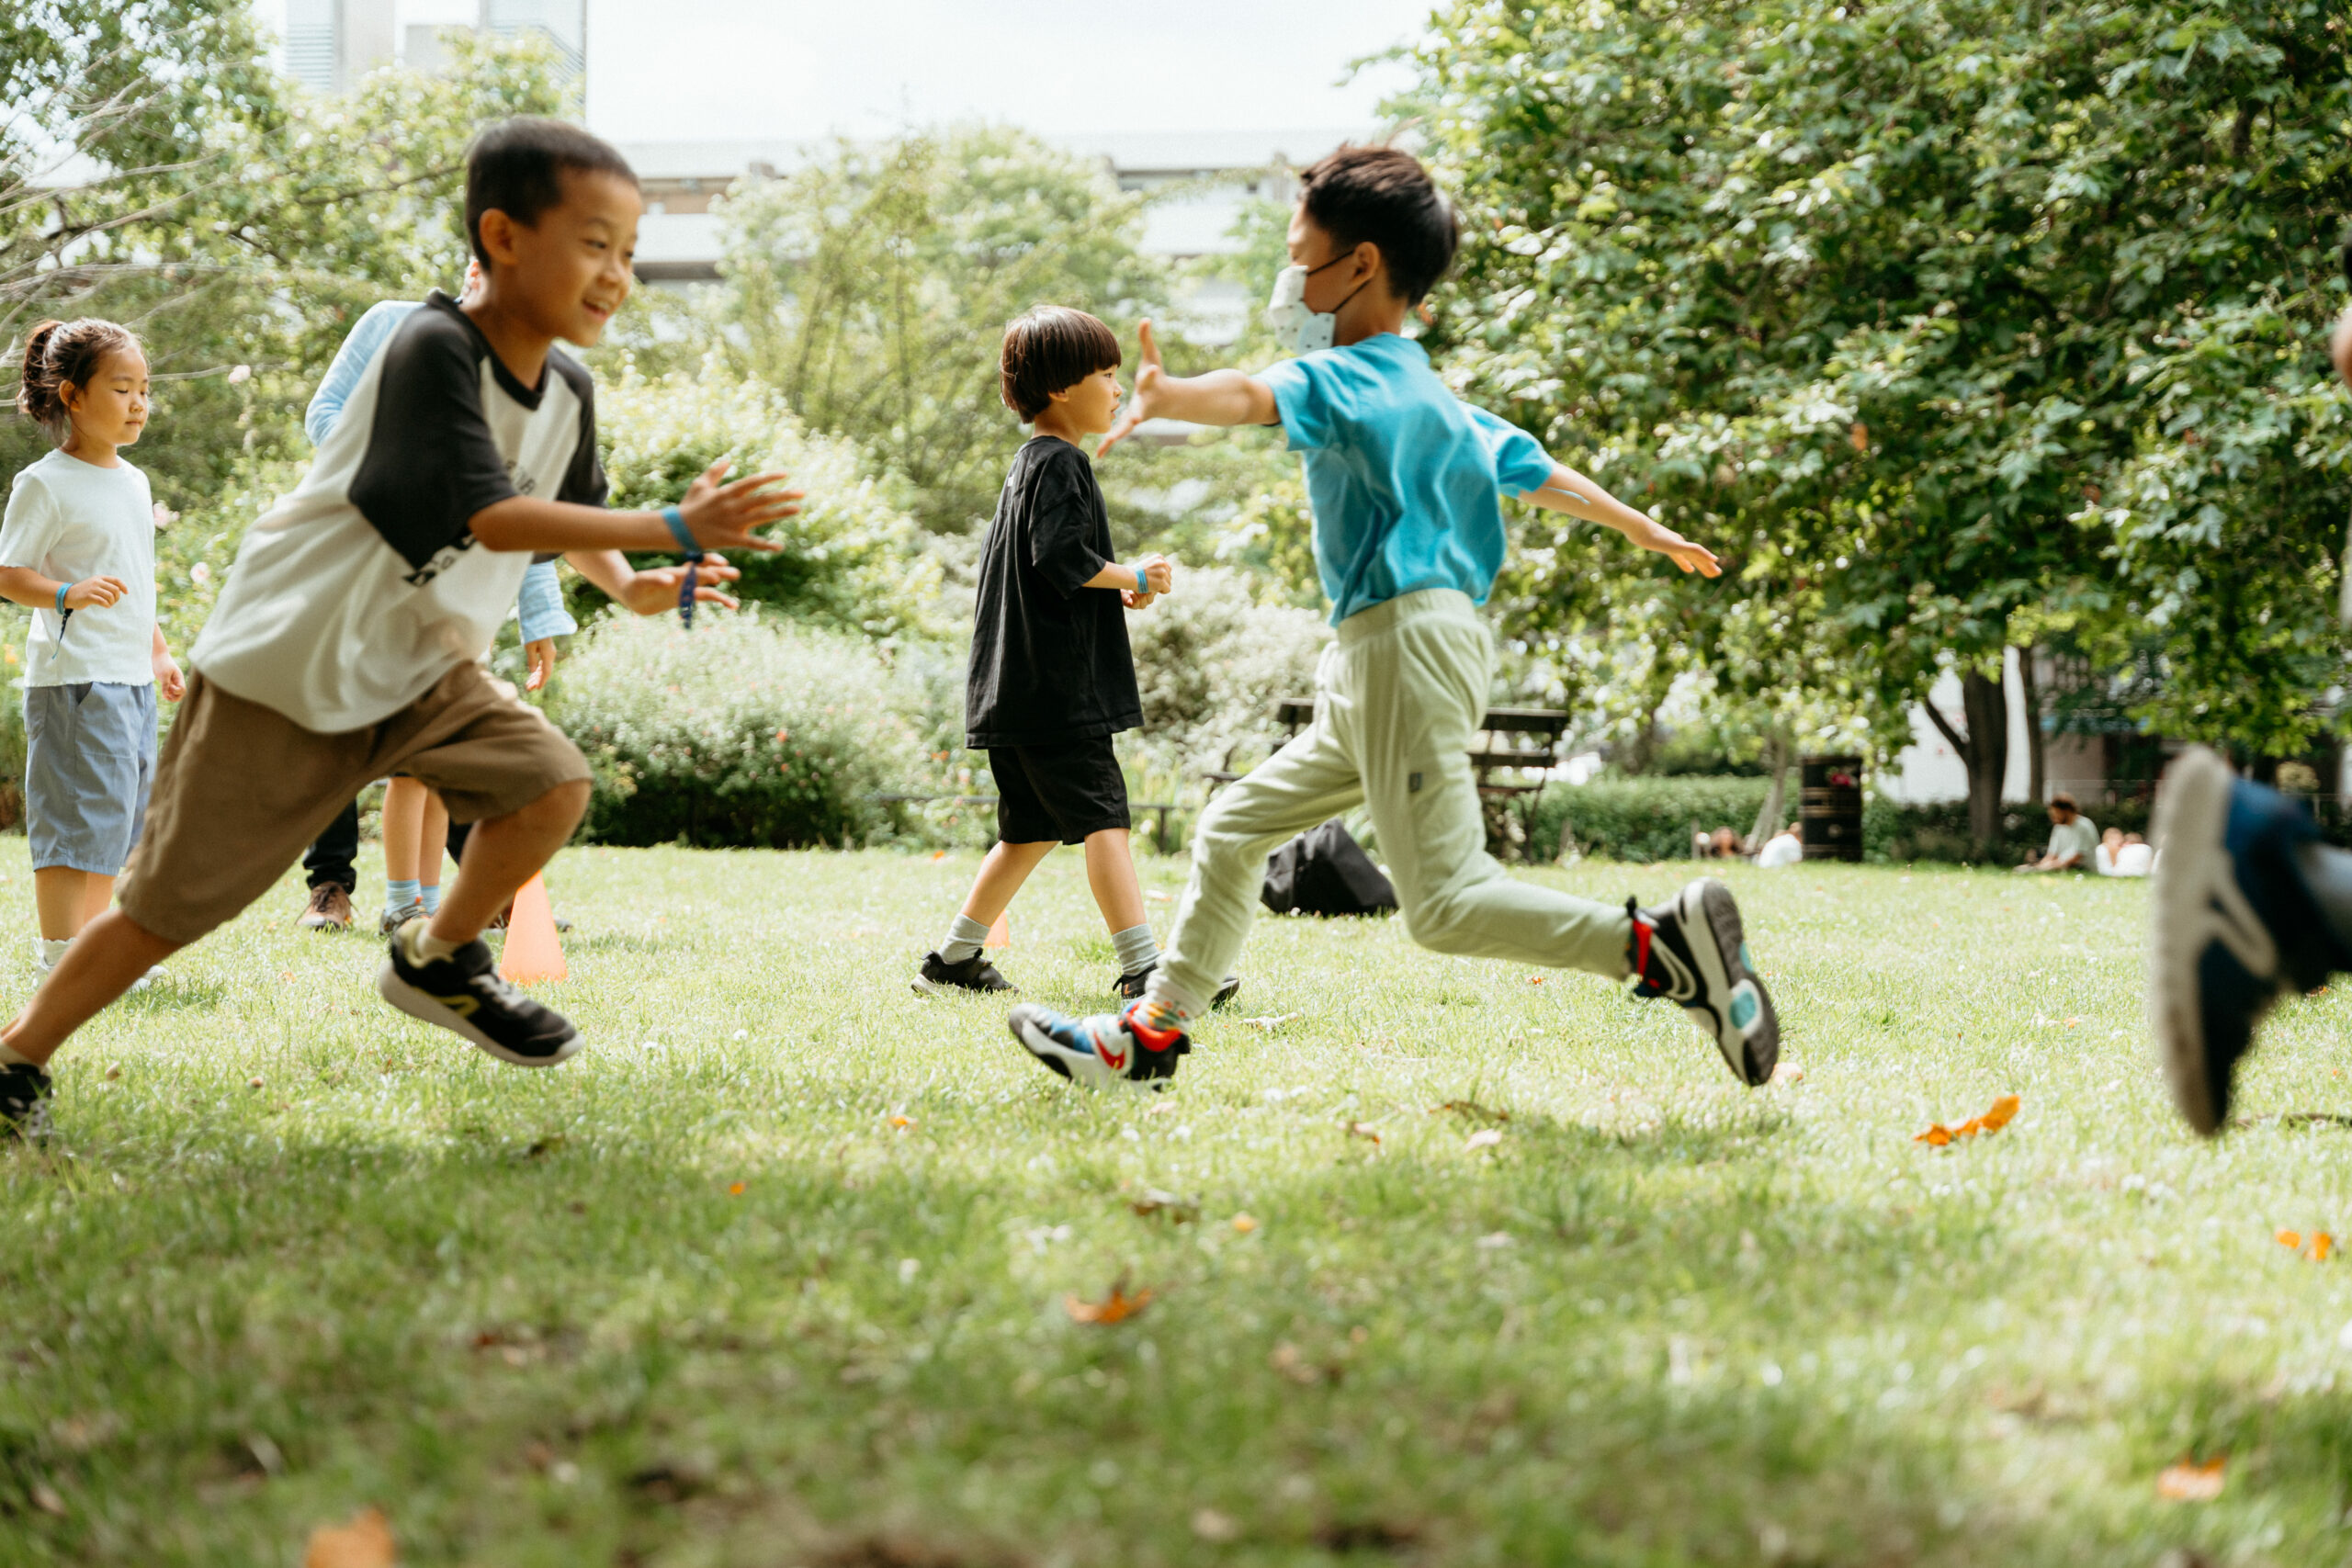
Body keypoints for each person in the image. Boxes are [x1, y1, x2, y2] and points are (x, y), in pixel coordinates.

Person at [0, 118, 800, 1138]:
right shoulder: (430, 347)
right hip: (291, 659)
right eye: (595, 244)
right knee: (169, 908)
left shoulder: (568, 387)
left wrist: (633, 581)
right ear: (502, 237)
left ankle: (436, 958)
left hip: (424, 664)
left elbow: (559, 506)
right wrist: (672, 524)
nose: (619, 276)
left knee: (548, 785)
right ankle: (16, 1058)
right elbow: (489, 514)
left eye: (631, 254)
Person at [1002, 145, 1780, 1089]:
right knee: (1236, 826)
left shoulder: (1348, 378)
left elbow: (1253, 394)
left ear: (1359, 265)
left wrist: (1173, 398)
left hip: (1399, 647)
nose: (1289, 279)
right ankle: (1151, 1034)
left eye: (1299, 254)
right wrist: (1646, 530)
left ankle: (1660, 948)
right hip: (1404, 649)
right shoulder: (1433, 395)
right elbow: (1541, 472)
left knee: (1444, 905)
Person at [292, 279, 741, 932]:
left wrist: (624, 584)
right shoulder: (397, 330)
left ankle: (429, 898)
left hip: (456, 602)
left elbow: (549, 518)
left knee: (438, 753)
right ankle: (358, 891)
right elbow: (326, 414)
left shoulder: (560, 386)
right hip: (361, 571)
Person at [912, 306, 1200, 1002]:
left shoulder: (1028, 465)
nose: (1117, 389)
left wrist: (1118, 588)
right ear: (1063, 387)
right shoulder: (1064, 461)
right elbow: (1062, 556)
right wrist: (1132, 574)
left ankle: (953, 960)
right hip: (1059, 692)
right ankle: (1144, 969)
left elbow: (1055, 570)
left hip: (1016, 689)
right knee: (1106, 816)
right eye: (1107, 375)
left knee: (1029, 831)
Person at [0, 319, 185, 981]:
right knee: (69, 826)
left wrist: (158, 652)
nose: (139, 403)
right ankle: (58, 954)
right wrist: (66, 592)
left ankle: (100, 952)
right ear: (74, 397)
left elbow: (137, 578)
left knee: (116, 822)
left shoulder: (133, 482)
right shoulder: (45, 483)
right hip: (74, 679)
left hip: (129, 676)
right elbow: (8, 573)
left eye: (144, 389)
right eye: (122, 388)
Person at [2018, 793, 2098, 873]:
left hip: (2082, 869)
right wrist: (2036, 868)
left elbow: (2076, 858)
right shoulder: (2058, 827)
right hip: (2063, 868)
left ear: (2066, 811)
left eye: (2056, 813)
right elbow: (2052, 855)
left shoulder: (2084, 826)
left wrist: (2045, 868)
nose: (2054, 818)